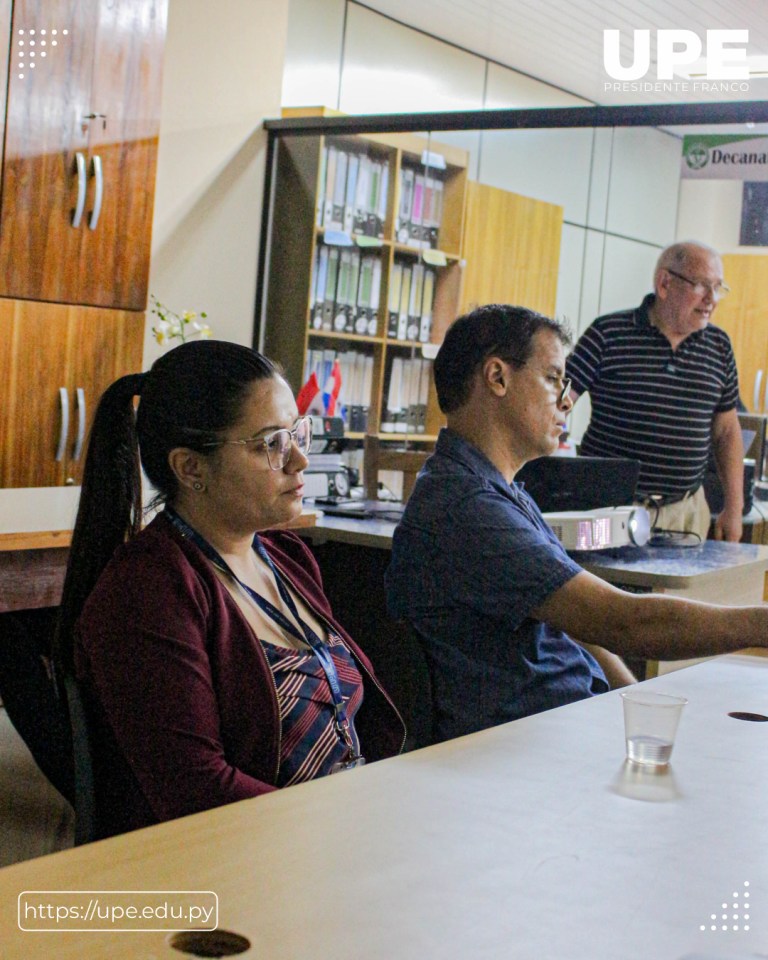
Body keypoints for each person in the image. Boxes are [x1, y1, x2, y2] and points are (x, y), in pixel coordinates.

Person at [55, 340, 405, 840]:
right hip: (241, 863)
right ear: (191, 468)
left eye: (297, 433)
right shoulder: (148, 590)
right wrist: (342, 825)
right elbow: (197, 790)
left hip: (328, 839)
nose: (300, 460)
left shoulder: (287, 558)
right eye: (272, 444)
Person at [385, 304, 768, 744]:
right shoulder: (467, 507)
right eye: (552, 379)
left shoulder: (501, 491)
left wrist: (632, 704)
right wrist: (760, 625)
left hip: (567, 725)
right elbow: (623, 622)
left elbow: (581, 628)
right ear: (497, 378)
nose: (567, 398)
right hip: (524, 747)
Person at [566, 241, 742, 543]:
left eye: (718, 287)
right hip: (607, 507)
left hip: (685, 512)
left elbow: (726, 431)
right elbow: (558, 401)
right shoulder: (608, 333)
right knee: (600, 589)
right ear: (664, 283)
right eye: (702, 286)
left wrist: (734, 507)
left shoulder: (719, 346)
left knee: (674, 592)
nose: (712, 299)